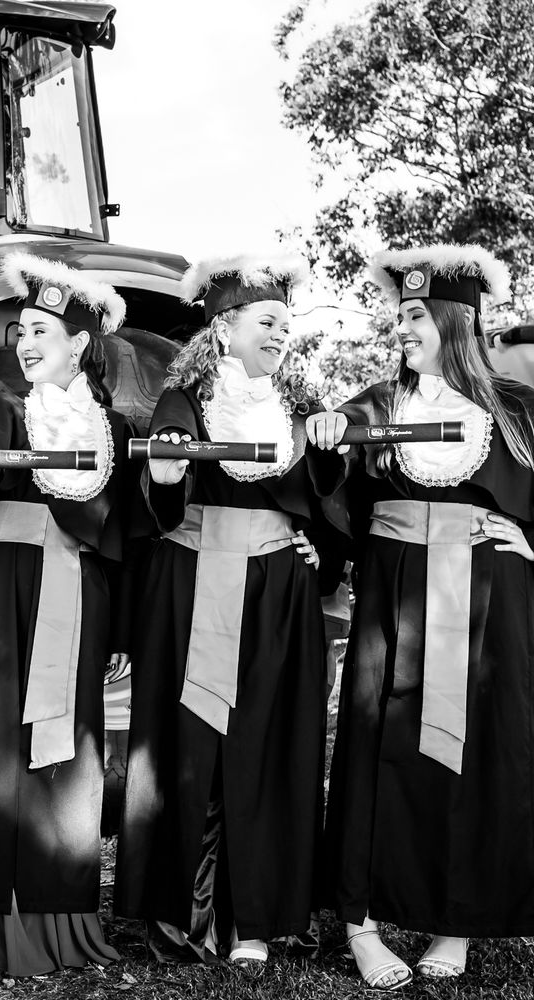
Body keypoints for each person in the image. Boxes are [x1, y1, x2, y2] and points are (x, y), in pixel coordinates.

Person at [314, 245, 534, 989]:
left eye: (414, 315)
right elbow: (336, 454)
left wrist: (531, 542)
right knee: (374, 742)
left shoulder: (517, 409)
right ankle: (361, 923)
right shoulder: (381, 402)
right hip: (394, 590)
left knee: (472, 754)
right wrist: (325, 431)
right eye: (398, 316)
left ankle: (453, 922)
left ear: (454, 320)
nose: (400, 328)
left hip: (487, 599)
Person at [115, 253, 342, 965]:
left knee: (270, 742)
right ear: (223, 328)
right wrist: (165, 468)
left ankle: (258, 917)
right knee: (190, 742)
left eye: (285, 325)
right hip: (191, 582)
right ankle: (187, 913)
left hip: (278, 593)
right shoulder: (183, 400)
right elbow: (160, 483)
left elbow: (332, 501)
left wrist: (320, 548)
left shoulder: (302, 404)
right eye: (267, 321)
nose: (281, 334)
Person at [0, 253, 131, 976]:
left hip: (78, 593)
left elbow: (128, 536)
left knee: (69, 754)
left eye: (40, 330)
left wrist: (124, 629)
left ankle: (62, 914)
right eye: (20, 330)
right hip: (3, 588)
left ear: (78, 343)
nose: (24, 342)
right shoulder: (1, 409)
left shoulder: (112, 427)